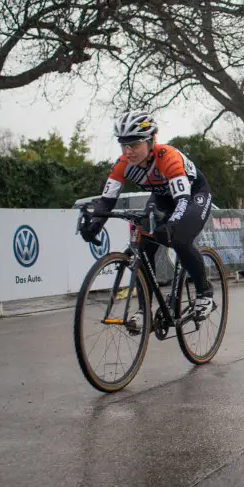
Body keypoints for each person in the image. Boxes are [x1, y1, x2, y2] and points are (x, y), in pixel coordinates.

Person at [79, 110, 214, 332]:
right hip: (162, 198)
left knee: (179, 240)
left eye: (134, 144)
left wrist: (172, 224)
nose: (128, 151)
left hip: (193, 196)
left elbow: (182, 199)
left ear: (151, 141)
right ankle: (144, 311)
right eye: (123, 144)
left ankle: (204, 293)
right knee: (143, 246)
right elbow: (106, 201)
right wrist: (95, 224)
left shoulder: (167, 157)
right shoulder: (123, 164)